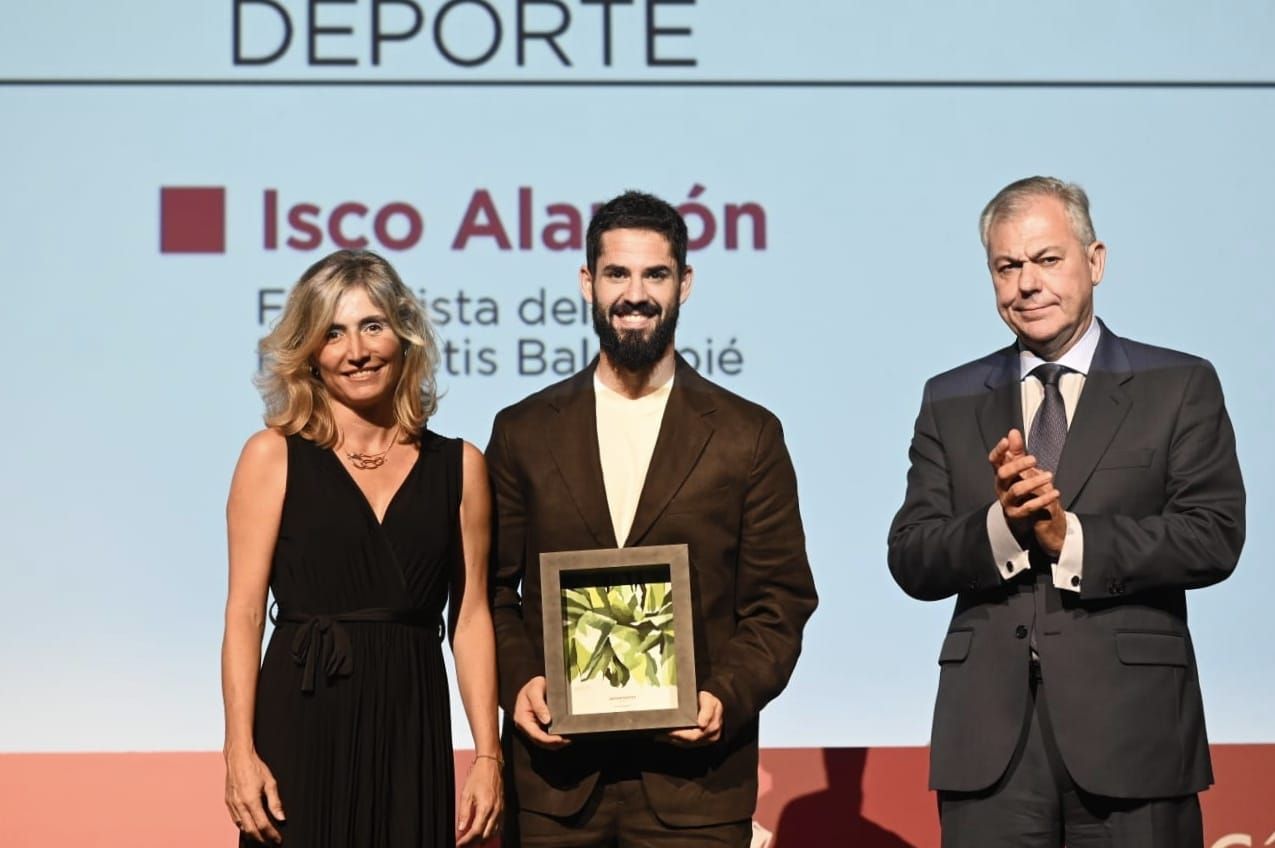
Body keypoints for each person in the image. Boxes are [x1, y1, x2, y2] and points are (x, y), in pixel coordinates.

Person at [888, 176, 1245, 847]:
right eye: (1006, 266)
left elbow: (1211, 537)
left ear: (1095, 261)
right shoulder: (950, 397)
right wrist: (1004, 528)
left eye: (1046, 259)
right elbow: (911, 553)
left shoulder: (1177, 385)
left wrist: (1069, 537)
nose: (1026, 283)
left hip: (1133, 736)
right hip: (989, 748)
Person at [486, 190, 818, 846]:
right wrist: (518, 679)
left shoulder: (746, 435)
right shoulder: (522, 431)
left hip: (696, 789)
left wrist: (725, 693)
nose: (634, 294)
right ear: (587, 282)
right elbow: (489, 592)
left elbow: (779, 601)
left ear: (684, 284)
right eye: (616, 274)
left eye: (654, 275)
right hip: (556, 788)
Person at [220, 249, 502, 847]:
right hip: (302, 718)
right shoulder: (272, 456)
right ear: (310, 353)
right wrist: (239, 752)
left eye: (372, 326)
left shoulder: (461, 467)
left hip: (410, 721)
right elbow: (244, 615)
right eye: (333, 333)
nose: (357, 352)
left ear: (403, 335)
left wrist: (488, 755)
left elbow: (472, 618)